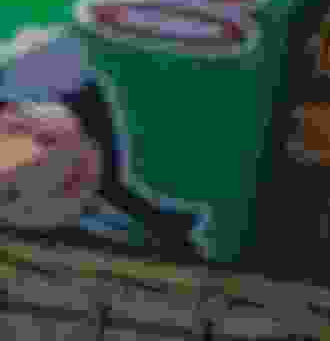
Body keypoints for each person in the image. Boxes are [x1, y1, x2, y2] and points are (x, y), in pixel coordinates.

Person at [0, 26, 213, 255]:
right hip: (78, 98)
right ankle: (166, 226)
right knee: (108, 182)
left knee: (106, 181)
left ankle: (166, 226)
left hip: (79, 99)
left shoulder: (28, 67)